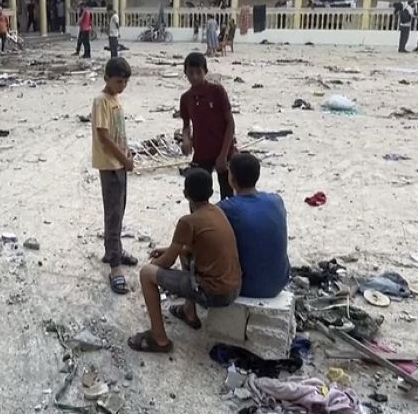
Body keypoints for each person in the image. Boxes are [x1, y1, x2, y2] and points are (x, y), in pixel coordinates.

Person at [127, 167, 242, 352]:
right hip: (234, 287)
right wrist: (170, 249)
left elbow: (166, 263)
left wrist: (154, 265)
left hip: (213, 293)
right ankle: (189, 312)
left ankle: (159, 338)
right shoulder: (218, 211)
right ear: (211, 193)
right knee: (184, 252)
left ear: (185, 194)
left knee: (146, 274)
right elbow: (194, 247)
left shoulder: (188, 221)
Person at [219, 153, 290, 298]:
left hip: (248, 286)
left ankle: (190, 309)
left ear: (231, 178)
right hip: (279, 281)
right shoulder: (276, 200)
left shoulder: (227, 208)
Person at [92, 57, 135, 295]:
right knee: (113, 213)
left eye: (126, 82)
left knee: (120, 209)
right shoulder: (101, 101)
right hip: (110, 166)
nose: (122, 86)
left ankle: (114, 249)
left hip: (119, 163)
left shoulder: (116, 98)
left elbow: (119, 133)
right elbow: (105, 137)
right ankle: (115, 266)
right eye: (119, 81)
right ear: (107, 78)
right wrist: (123, 158)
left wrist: (128, 153)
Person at [180, 52, 236, 200]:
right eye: (190, 73)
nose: (195, 77)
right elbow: (186, 125)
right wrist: (186, 139)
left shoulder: (217, 91)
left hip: (223, 149)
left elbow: (230, 122)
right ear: (185, 73)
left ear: (205, 71)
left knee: (228, 196)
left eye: (198, 72)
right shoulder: (186, 98)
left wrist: (223, 155)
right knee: (197, 195)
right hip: (202, 152)